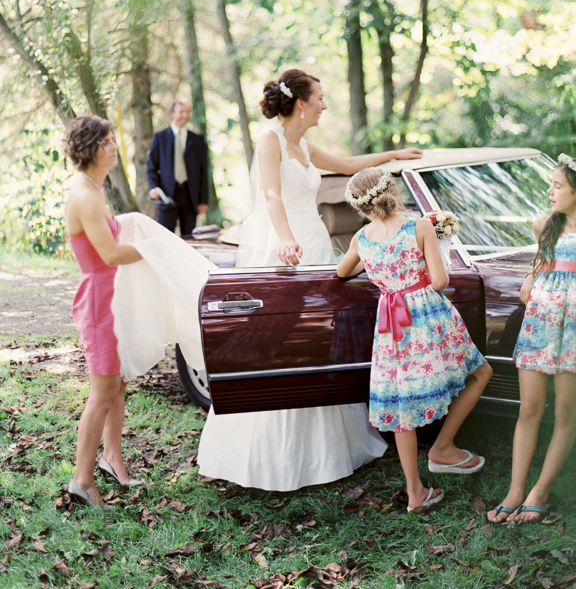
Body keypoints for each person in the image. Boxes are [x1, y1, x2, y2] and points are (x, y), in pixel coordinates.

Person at [197, 68, 423, 491]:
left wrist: (394, 157)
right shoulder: (271, 140)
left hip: (315, 244)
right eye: (320, 96)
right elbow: (271, 194)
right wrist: (285, 238)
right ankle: (268, 455)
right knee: (281, 342)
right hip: (283, 245)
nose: (324, 103)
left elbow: (348, 165)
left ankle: (327, 448)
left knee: (318, 339)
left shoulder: (303, 145)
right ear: (301, 102)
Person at [338, 168, 492, 512]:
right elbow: (439, 280)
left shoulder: (361, 239)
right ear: (392, 190)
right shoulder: (419, 226)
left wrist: (377, 269)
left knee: (400, 404)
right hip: (428, 318)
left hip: (391, 325)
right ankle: (443, 448)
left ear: (360, 207)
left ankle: (415, 492)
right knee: (480, 373)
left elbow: (342, 271)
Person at [487, 154, 576, 524]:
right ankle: (516, 489)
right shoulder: (544, 226)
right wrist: (531, 277)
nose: (550, 191)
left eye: (558, 185)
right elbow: (536, 270)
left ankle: (541, 490)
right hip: (540, 326)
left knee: (566, 413)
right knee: (529, 409)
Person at [64, 115, 144, 508]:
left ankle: (113, 459)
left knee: (119, 383)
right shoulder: (83, 195)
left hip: (112, 297)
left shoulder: (95, 186)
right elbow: (109, 254)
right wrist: (157, 248)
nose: (114, 147)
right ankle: (82, 480)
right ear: (93, 147)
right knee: (101, 394)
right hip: (98, 302)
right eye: (109, 141)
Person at [147, 100, 209, 236]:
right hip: (167, 194)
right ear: (172, 114)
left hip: (190, 195)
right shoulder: (160, 137)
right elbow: (151, 166)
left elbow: (204, 171)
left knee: (189, 239)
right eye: (181, 112)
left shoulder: (197, 139)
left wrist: (203, 200)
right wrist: (153, 188)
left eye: (187, 112)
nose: (185, 115)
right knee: (165, 237)